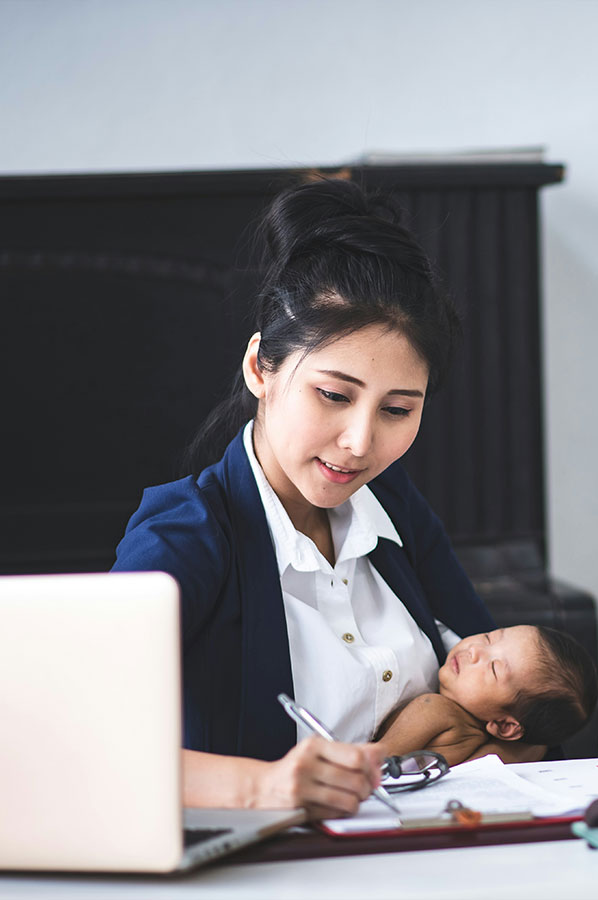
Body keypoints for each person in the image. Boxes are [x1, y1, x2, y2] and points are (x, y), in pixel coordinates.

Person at [112, 177, 540, 818]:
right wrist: (262, 787)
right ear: (260, 368)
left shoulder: (392, 504)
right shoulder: (187, 533)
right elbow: (64, 737)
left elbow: (519, 714)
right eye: (334, 395)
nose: (360, 443)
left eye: (398, 409)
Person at [374, 624, 598, 766]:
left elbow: (371, 764)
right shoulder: (435, 712)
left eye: (493, 669)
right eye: (489, 637)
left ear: (505, 726)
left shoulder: (434, 710)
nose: (474, 650)